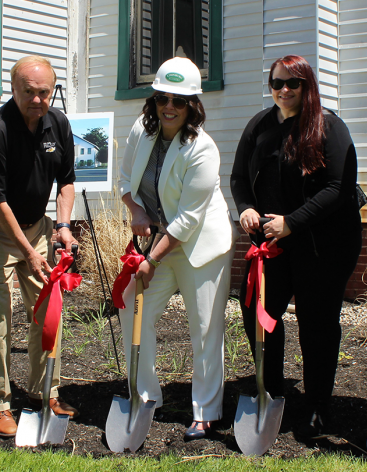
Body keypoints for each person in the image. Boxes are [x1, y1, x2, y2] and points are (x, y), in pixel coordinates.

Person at [230, 55, 363, 438]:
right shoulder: (259, 125)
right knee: (257, 310)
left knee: (316, 323)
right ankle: (270, 393)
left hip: (324, 243)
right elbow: (239, 177)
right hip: (272, 243)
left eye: (294, 83)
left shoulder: (329, 126)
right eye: (277, 83)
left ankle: (317, 405)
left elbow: (338, 187)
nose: (284, 90)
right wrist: (247, 208)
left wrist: (293, 222)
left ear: (308, 86)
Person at [119, 56, 237, 440]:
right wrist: (135, 208)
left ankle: (205, 411)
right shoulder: (141, 129)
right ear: (153, 100)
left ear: (193, 107)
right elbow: (125, 179)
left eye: (180, 100)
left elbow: (187, 220)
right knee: (131, 305)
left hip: (202, 246)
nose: (169, 106)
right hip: (162, 240)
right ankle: (146, 396)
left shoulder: (202, 149)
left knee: (204, 327)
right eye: (162, 98)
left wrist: (151, 258)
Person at [0, 55, 79, 438]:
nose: (37, 99)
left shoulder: (57, 123)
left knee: (47, 311)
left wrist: (61, 225)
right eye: (28, 92)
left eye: (44, 92)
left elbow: (65, 180)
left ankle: (46, 392)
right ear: (13, 90)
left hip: (37, 227)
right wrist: (27, 252)